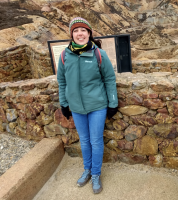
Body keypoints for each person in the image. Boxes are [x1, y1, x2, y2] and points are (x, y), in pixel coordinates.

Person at [57, 17, 118, 194]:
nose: (80, 33)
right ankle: (87, 170)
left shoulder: (99, 54)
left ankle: (96, 174)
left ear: (89, 33)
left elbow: (109, 78)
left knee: (96, 140)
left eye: (83, 30)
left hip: (97, 105)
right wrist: (64, 103)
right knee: (84, 141)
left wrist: (112, 102)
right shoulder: (64, 56)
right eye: (76, 31)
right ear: (72, 35)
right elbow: (62, 82)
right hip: (76, 107)